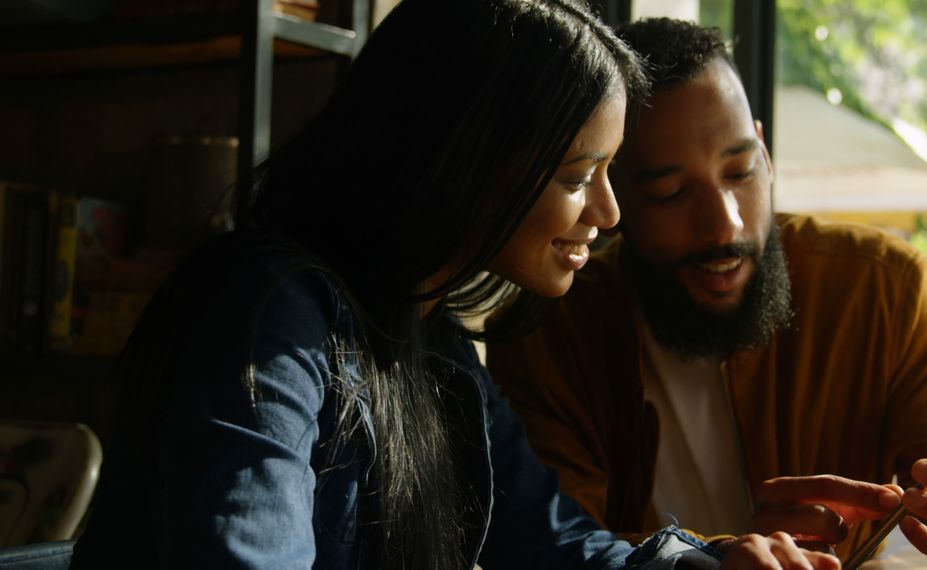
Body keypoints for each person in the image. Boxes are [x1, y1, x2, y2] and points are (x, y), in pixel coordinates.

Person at [69, 3, 842, 570]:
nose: (608, 214)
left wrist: (708, 565)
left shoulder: (434, 343)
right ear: (466, 163)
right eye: (580, 176)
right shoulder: (270, 311)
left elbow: (551, 544)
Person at [485, 17, 927, 568]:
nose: (724, 226)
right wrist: (721, 557)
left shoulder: (880, 287)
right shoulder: (550, 332)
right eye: (672, 193)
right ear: (614, 203)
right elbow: (555, 548)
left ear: (767, 156)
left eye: (741, 171)